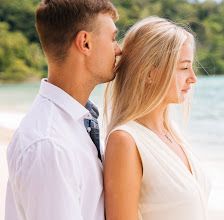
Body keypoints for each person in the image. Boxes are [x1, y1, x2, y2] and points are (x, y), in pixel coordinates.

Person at [5, 0, 121, 219]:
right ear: (85, 43)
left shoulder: (77, 123)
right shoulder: (49, 145)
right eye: (113, 38)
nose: (119, 49)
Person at [103, 17, 211, 220]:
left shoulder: (171, 131)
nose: (193, 78)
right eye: (183, 68)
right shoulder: (125, 140)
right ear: (150, 73)